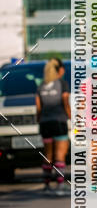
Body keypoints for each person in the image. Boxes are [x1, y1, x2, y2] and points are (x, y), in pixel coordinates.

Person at [35, 58, 70, 195]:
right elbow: (65, 102)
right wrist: (71, 117)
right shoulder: (62, 84)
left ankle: (47, 185)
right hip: (59, 121)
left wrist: (40, 120)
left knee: (48, 154)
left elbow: (38, 107)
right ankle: (60, 185)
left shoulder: (41, 86)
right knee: (60, 154)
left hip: (45, 123)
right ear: (57, 71)